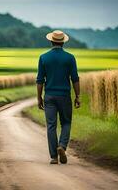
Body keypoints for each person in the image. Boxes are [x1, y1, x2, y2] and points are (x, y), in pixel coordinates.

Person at [36, 30, 80, 164]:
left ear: (51, 41)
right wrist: (78, 96)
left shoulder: (43, 57)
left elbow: (39, 80)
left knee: (51, 126)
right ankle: (62, 146)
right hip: (64, 96)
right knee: (66, 122)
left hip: (49, 96)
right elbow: (75, 79)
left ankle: (54, 157)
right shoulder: (70, 58)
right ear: (63, 43)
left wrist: (39, 98)